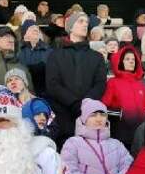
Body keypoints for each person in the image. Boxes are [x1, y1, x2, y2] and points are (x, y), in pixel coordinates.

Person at [45, 12, 107, 146]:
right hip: (63, 117)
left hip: (90, 118)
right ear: (70, 27)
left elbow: (100, 84)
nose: (85, 24)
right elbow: (52, 84)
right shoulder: (55, 55)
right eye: (80, 21)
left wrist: (85, 104)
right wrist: (73, 103)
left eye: (86, 22)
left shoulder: (97, 57)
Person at [102, 45, 145, 149]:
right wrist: (121, 114)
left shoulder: (141, 84)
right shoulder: (112, 82)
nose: (131, 61)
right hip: (120, 133)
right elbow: (104, 107)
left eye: (133, 59)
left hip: (141, 135)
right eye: (127, 59)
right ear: (120, 62)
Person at [17, 20, 52, 98]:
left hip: (44, 94)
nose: (35, 29)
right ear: (25, 34)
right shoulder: (17, 50)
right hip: (22, 93)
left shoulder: (49, 50)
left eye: (37, 28)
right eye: (32, 28)